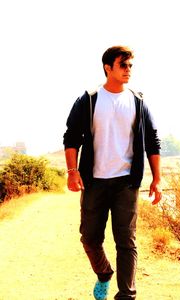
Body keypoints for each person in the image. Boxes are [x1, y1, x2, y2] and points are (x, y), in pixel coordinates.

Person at [63, 45, 162, 300]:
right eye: (123, 65)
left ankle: (126, 295)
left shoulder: (138, 101)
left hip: (126, 184)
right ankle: (104, 273)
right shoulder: (89, 99)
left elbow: (152, 141)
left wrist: (157, 179)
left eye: (131, 66)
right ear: (108, 68)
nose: (128, 70)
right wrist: (73, 171)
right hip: (94, 182)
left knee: (126, 242)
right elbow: (71, 137)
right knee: (89, 238)